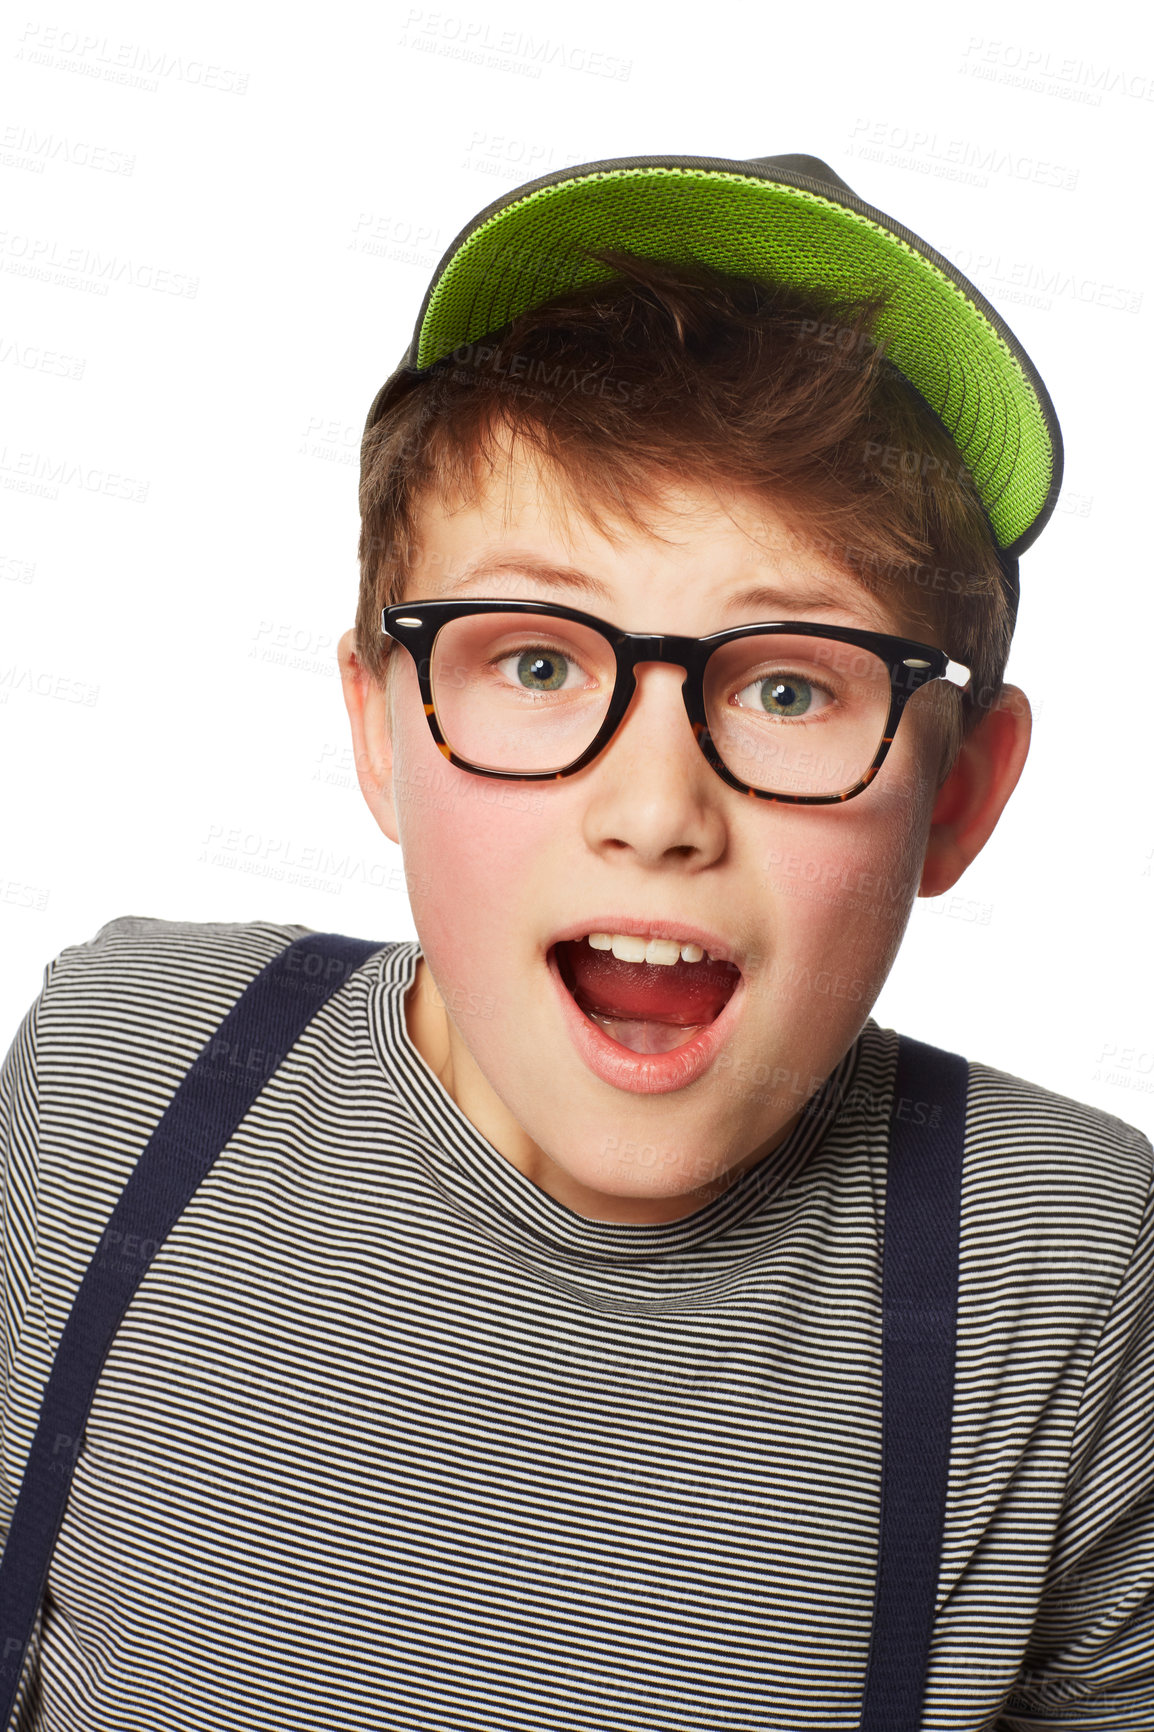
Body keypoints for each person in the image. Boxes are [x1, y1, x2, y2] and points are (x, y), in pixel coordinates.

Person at [0, 152, 1150, 1730]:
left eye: (789, 686)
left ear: (956, 793)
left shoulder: (1069, 1274)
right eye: (537, 663)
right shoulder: (122, 1069)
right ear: (382, 728)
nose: (656, 809)